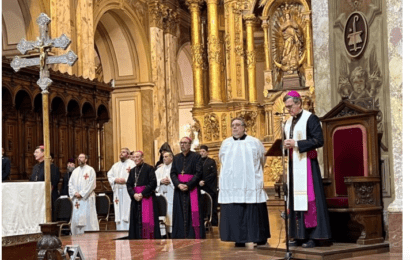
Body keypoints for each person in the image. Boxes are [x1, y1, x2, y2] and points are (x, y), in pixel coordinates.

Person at [283, 91, 331, 248]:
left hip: (307, 166)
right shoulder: (288, 122)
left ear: (299, 104)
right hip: (294, 165)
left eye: (291, 106)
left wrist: (296, 144)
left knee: (309, 199)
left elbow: (319, 140)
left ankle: (313, 236)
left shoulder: (310, 118)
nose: (289, 110)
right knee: (295, 200)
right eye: (287, 107)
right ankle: (298, 234)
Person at [219, 118, 271, 247]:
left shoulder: (254, 142)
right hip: (232, 184)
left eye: (237, 125)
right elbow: (222, 161)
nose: (235, 128)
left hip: (250, 182)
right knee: (236, 211)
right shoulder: (226, 143)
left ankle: (258, 237)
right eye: (232, 126)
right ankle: (239, 238)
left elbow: (261, 159)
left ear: (244, 127)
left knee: (253, 210)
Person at [170, 137, 205, 239]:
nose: (182, 145)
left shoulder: (196, 156)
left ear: (190, 144)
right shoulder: (176, 157)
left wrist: (188, 185)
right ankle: (180, 235)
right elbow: (173, 173)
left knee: (193, 213)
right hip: (179, 190)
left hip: (192, 188)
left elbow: (198, 173)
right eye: (181, 143)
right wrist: (178, 184)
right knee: (179, 212)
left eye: (185, 143)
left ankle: (193, 235)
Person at [127, 151, 161, 239]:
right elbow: (129, 185)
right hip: (136, 199)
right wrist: (134, 194)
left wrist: (142, 194)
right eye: (134, 157)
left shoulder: (149, 168)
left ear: (142, 157)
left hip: (146, 197)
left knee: (148, 221)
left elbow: (153, 183)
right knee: (135, 221)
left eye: (137, 157)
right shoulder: (132, 171)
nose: (135, 159)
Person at [69, 153, 99, 235]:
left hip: (87, 199)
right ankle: (76, 237)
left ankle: (90, 237)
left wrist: (82, 194)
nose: (79, 159)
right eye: (78, 158)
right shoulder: (75, 171)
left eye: (82, 158)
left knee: (88, 219)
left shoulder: (90, 170)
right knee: (76, 219)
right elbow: (70, 183)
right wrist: (75, 193)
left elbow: (92, 184)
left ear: (86, 160)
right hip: (77, 200)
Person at [107, 148, 136, 230]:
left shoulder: (132, 164)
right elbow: (109, 175)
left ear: (127, 154)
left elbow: (134, 176)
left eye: (123, 152)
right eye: (120, 152)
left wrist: (125, 180)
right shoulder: (115, 165)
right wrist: (114, 180)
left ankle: (129, 230)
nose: (121, 154)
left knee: (127, 210)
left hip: (127, 191)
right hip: (117, 192)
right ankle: (119, 230)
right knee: (118, 210)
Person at [30, 146, 60, 221]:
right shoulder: (36, 167)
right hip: (37, 197)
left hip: (49, 197)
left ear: (43, 153)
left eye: (37, 152)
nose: (34, 154)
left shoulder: (51, 166)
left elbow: (53, 182)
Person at [155, 151, 174, 237]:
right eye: (163, 157)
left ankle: (171, 233)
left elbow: (178, 179)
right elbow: (154, 181)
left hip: (172, 194)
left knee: (171, 213)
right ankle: (163, 234)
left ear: (171, 158)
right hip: (162, 193)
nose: (164, 158)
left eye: (166, 157)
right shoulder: (159, 169)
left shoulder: (175, 168)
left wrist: (170, 181)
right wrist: (160, 181)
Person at [198, 145, 218, 226]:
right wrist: (199, 181)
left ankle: (213, 222)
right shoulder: (197, 162)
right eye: (200, 151)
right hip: (200, 186)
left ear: (207, 152)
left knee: (212, 206)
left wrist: (204, 181)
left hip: (210, 187)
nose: (202, 153)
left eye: (203, 151)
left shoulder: (211, 161)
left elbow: (213, 174)